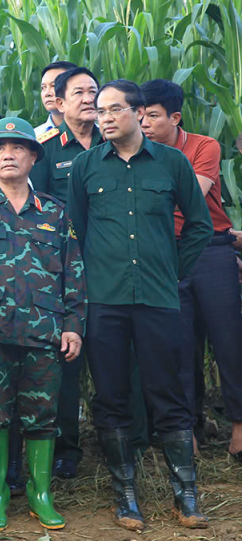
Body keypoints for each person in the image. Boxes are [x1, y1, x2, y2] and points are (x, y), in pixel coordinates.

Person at [68, 80, 213, 531]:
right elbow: (75, 232)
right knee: (110, 397)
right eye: (99, 111)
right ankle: (125, 495)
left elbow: (200, 227)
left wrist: (171, 273)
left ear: (138, 113)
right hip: (104, 300)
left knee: (167, 395)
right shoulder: (86, 166)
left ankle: (185, 496)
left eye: (114, 109)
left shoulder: (171, 164)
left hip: (158, 298)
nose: (104, 117)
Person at [0, 117, 86, 532]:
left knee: (42, 416)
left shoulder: (56, 213)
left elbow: (73, 273)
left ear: (32, 157)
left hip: (44, 331)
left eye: (17, 148)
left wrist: (73, 324)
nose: (8, 154)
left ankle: (39, 493)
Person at [141, 79, 242, 461]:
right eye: (139, 115)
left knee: (229, 340)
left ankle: (238, 429)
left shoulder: (205, 146)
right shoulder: (138, 153)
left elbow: (192, 195)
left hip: (211, 250)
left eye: (152, 115)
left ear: (175, 117)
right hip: (164, 255)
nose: (144, 123)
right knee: (178, 347)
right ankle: (188, 433)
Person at [29, 65, 103, 480]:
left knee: (116, 359)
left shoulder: (116, 142)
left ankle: (127, 444)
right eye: (79, 93)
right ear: (58, 102)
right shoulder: (46, 150)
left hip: (110, 268)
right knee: (66, 363)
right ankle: (65, 449)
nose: (89, 99)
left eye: (94, 91)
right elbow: (36, 211)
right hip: (63, 273)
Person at [34, 61, 76, 136]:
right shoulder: (34, 137)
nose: (47, 93)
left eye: (54, 86)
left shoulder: (100, 133)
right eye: (43, 87)